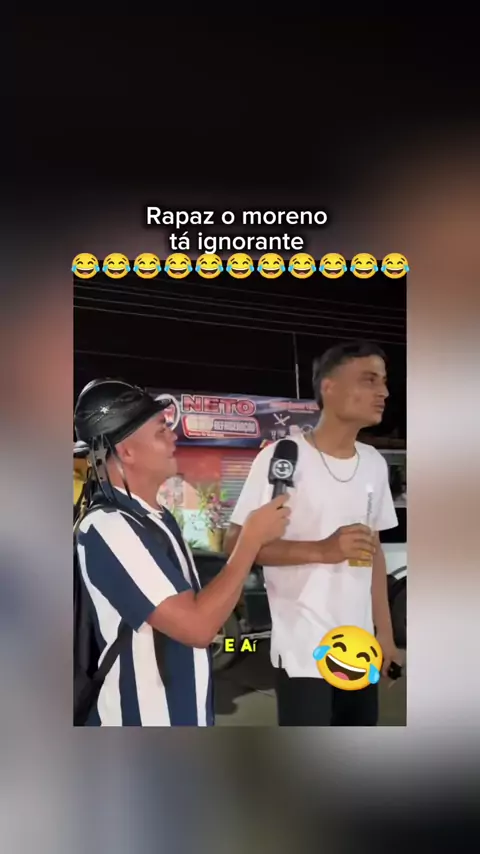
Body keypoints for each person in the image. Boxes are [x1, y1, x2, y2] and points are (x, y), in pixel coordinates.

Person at [74, 379, 290, 726]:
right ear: (127, 452)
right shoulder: (108, 526)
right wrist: (249, 541)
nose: (173, 437)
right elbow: (198, 627)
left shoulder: (157, 518)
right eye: (161, 431)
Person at [224, 340, 403, 726]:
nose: (384, 392)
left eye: (384, 381)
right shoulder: (282, 457)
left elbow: (373, 552)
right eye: (369, 380)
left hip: (359, 648)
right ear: (329, 387)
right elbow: (236, 543)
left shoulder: (374, 463)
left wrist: (385, 636)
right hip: (303, 651)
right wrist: (323, 550)